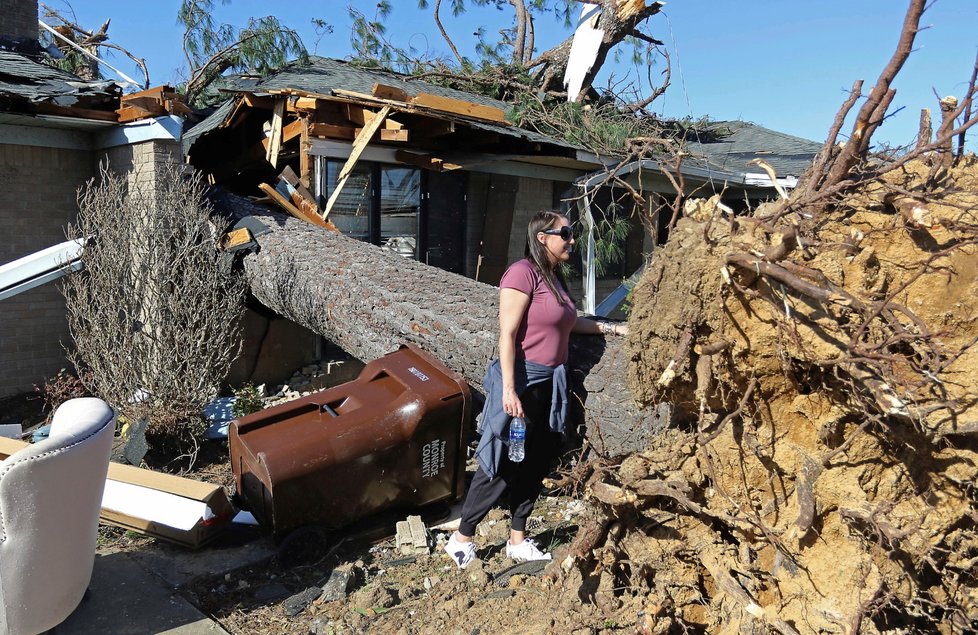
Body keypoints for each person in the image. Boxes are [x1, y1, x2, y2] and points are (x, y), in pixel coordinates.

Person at [444, 210, 629, 569]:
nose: (572, 240)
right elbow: (508, 335)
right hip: (522, 383)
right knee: (501, 460)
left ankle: (518, 538)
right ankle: (463, 537)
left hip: (549, 386)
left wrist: (613, 330)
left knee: (533, 461)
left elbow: (569, 322)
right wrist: (509, 390)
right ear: (543, 237)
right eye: (567, 233)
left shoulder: (554, 278)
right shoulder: (521, 273)